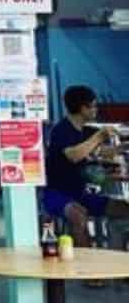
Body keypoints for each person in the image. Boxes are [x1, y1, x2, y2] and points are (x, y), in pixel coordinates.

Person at [44, 83, 129, 244]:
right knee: (78, 214)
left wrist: (122, 147)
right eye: (94, 106)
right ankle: (85, 265)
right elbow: (75, 155)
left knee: (124, 208)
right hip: (57, 194)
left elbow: (100, 152)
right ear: (83, 108)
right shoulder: (61, 130)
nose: (96, 110)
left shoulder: (84, 130)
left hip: (80, 194)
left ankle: (116, 252)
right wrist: (99, 136)